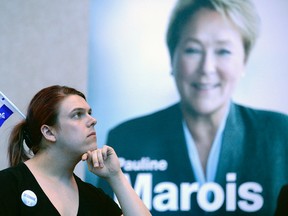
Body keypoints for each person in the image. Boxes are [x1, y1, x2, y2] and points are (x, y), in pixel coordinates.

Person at [97, 0, 288, 215]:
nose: (206, 68)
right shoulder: (128, 140)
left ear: (244, 60)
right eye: (193, 50)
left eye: (223, 51)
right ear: (172, 57)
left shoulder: (279, 135)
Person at [0, 85, 151, 216]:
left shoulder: (93, 197)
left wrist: (115, 176)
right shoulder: (8, 185)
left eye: (89, 113)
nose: (93, 120)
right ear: (49, 133)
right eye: (77, 114)